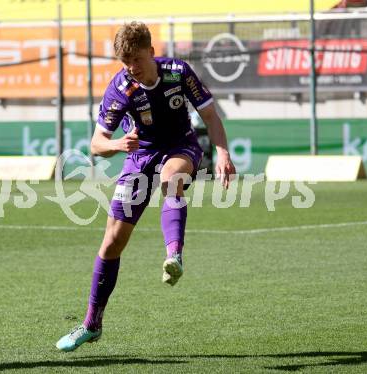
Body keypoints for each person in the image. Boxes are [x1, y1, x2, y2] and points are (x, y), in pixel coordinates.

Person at [56, 21, 236, 352]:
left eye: (136, 60)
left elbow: (210, 117)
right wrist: (118, 145)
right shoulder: (121, 87)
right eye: (125, 63)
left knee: (171, 180)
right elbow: (97, 143)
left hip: (181, 147)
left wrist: (222, 152)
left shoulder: (178, 72)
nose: (132, 69)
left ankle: (174, 256)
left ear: (151, 52)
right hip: (139, 159)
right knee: (111, 243)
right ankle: (91, 324)